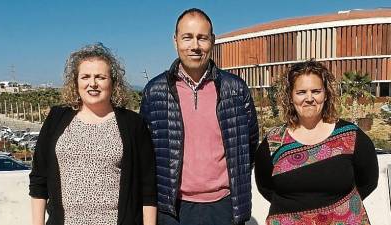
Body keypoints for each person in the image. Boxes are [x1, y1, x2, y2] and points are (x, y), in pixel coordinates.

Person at [140, 8, 258, 225]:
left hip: (224, 206)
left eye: (201, 38)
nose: (195, 46)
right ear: (175, 40)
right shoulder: (155, 91)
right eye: (187, 37)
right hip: (172, 209)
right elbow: (145, 151)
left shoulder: (235, 89)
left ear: (212, 41)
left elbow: (249, 147)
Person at [29, 43, 157, 225]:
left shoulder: (133, 124)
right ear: (76, 82)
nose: (93, 83)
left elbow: (148, 189)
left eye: (100, 77)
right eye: (85, 76)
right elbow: (39, 179)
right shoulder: (57, 118)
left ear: (113, 82)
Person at [255, 59, 379, 224]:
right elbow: (265, 187)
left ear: (326, 94)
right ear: (290, 96)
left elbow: (368, 181)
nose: (309, 98)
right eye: (301, 92)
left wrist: (337, 210)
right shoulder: (273, 142)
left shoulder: (351, 136)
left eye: (316, 91)